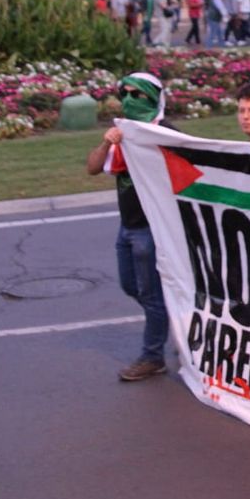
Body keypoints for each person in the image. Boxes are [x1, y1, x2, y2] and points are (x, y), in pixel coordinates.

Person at [88, 73, 173, 382]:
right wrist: (106, 141)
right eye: (124, 94)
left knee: (150, 294)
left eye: (136, 95)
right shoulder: (123, 133)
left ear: (152, 98)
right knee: (130, 286)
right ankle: (169, 318)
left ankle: (153, 356)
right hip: (127, 225)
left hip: (151, 229)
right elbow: (93, 167)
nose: (128, 100)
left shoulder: (166, 134)